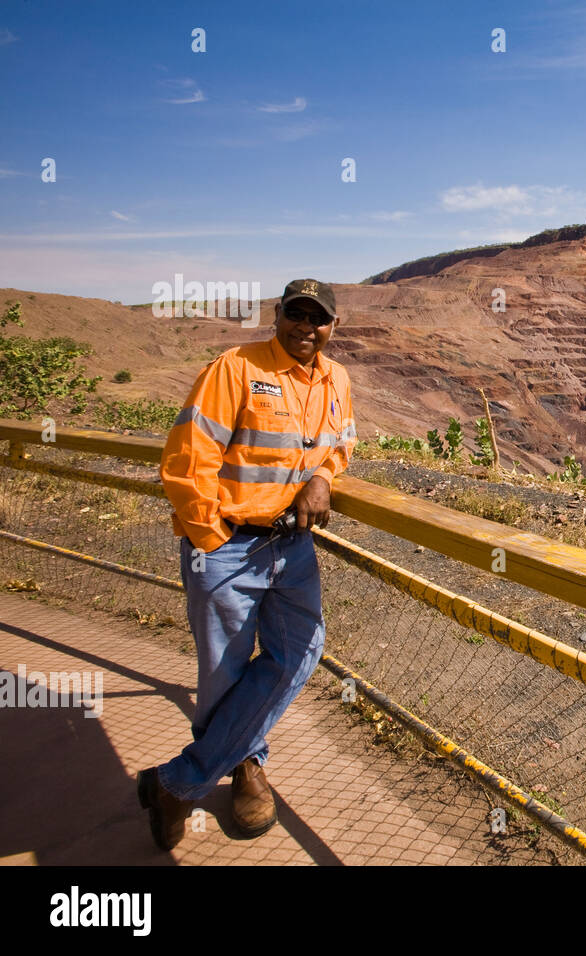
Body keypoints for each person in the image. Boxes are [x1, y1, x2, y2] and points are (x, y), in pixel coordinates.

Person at [138, 279, 356, 851]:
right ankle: (245, 770)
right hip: (229, 544)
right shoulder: (234, 368)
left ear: (333, 325)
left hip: (292, 546)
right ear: (277, 315)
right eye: (295, 314)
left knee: (300, 652)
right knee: (225, 672)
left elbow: (341, 441)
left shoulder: (337, 380)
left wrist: (323, 477)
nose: (305, 326)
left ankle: (178, 783)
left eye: (318, 317)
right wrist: (210, 537)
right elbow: (188, 454)